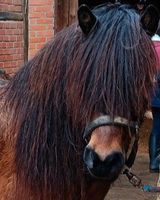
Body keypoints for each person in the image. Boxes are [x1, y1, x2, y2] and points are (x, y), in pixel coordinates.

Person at [149, 32, 160, 172]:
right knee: (157, 129)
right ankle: (154, 162)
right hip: (158, 98)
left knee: (156, 128)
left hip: (154, 97)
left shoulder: (149, 46)